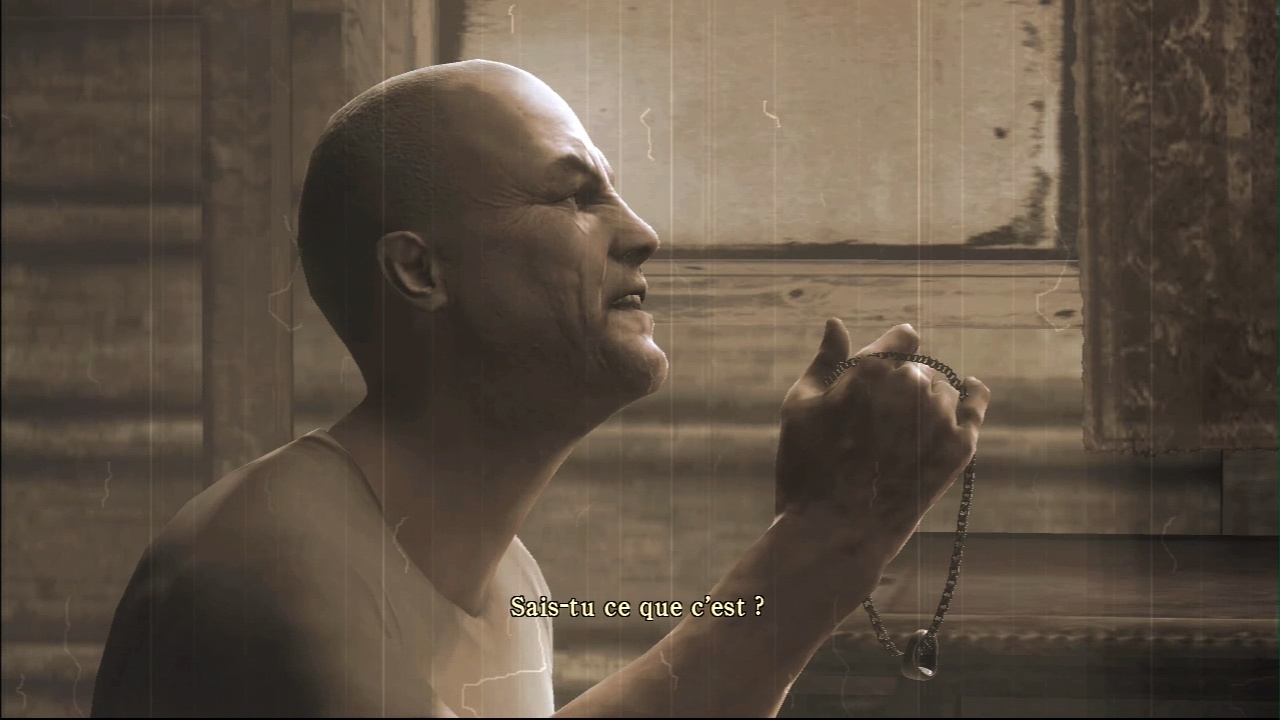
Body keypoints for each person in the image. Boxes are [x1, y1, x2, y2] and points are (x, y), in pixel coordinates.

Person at [90, 60, 989, 718]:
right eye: (573, 198)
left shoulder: (513, 581)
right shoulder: (273, 557)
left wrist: (831, 537)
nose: (641, 233)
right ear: (419, 271)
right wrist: (825, 537)